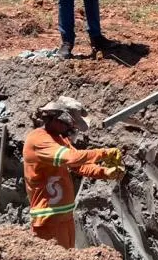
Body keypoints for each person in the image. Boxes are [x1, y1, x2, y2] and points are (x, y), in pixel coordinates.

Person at [22, 98, 125, 247]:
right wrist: (104, 153)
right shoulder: (38, 140)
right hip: (47, 218)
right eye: (70, 125)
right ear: (58, 119)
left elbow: (79, 166)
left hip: (65, 216)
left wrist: (105, 172)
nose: (71, 130)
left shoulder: (59, 140)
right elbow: (72, 158)